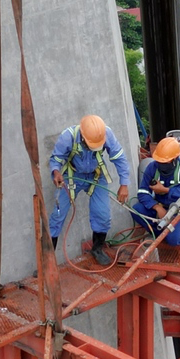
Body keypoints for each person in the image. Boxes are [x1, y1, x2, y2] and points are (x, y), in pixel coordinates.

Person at [49, 114, 131, 265]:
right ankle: (46, 261)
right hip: (72, 176)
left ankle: (97, 248)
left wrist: (124, 184)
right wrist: (56, 171)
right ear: (83, 136)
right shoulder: (68, 136)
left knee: (103, 214)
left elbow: (119, 158)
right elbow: (56, 158)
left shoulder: (105, 133)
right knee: (57, 216)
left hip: (96, 175)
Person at [130, 135, 180, 247]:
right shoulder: (152, 167)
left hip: (178, 212)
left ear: (175, 159)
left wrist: (165, 190)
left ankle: (171, 233)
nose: (161, 165)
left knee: (174, 240)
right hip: (159, 209)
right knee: (136, 210)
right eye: (159, 161)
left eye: (164, 162)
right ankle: (160, 232)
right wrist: (157, 207)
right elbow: (142, 192)